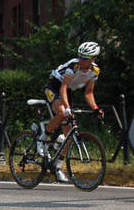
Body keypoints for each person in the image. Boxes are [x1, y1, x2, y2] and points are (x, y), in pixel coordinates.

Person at [37, 41, 104, 182]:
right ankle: (44, 137)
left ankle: (58, 166)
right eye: (80, 56)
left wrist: (96, 108)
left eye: (85, 58)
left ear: (93, 59)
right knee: (62, 113)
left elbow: (88, 93)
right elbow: (62, 88)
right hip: (54, 87)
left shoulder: (94, 71)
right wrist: (67, 107)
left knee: (69, 135)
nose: (81, 60)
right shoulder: (73, 65)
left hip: (67, 92)